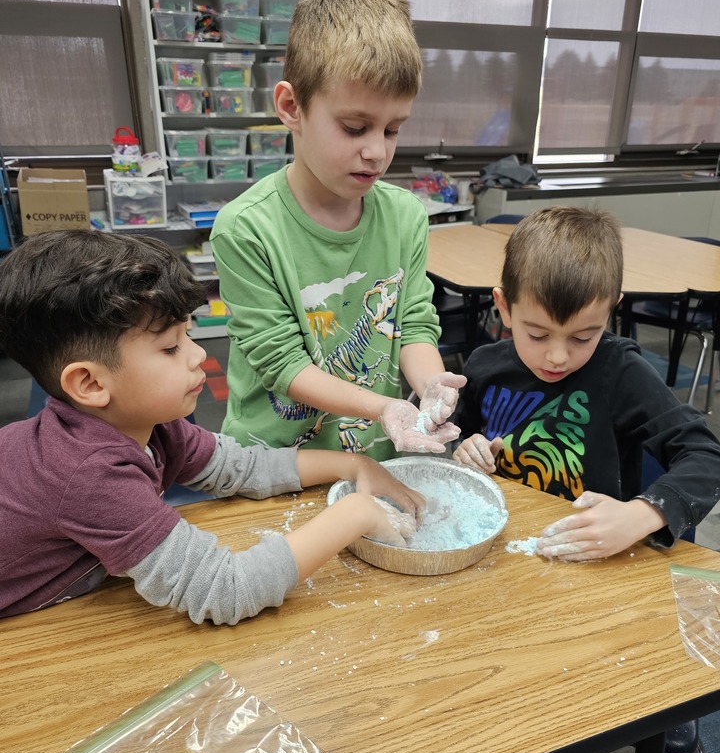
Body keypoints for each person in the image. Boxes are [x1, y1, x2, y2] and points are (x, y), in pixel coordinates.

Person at [0, 230, 426, 625]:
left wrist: (350, 465)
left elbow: (237, 466)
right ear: (90, 383)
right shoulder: (90, 473)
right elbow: (223, 590)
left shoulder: (151, 425)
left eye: (188, 336)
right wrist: (354, 512)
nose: (198, 355)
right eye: (170, 348)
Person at [210, 0, 464, 460]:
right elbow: (282, 363)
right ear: (291, 108)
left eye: (392, 130)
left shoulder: (406, 215)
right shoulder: (246, 229)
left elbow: (412, 323)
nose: (376, 151)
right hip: (275, 463)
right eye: (354, 128)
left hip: (370, 452)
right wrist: (385, 407)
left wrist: (431, 385)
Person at [452, 206, 720, 562]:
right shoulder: (484, 365)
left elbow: (707, 459)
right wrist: (465, 448)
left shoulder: (621, 373)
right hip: (503, 544)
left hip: (592, 553)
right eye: (537, 335)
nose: (557, 357)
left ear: (611, 311)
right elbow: (460, 434)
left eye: (583, 338)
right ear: (504, 307)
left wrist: (642, 514)